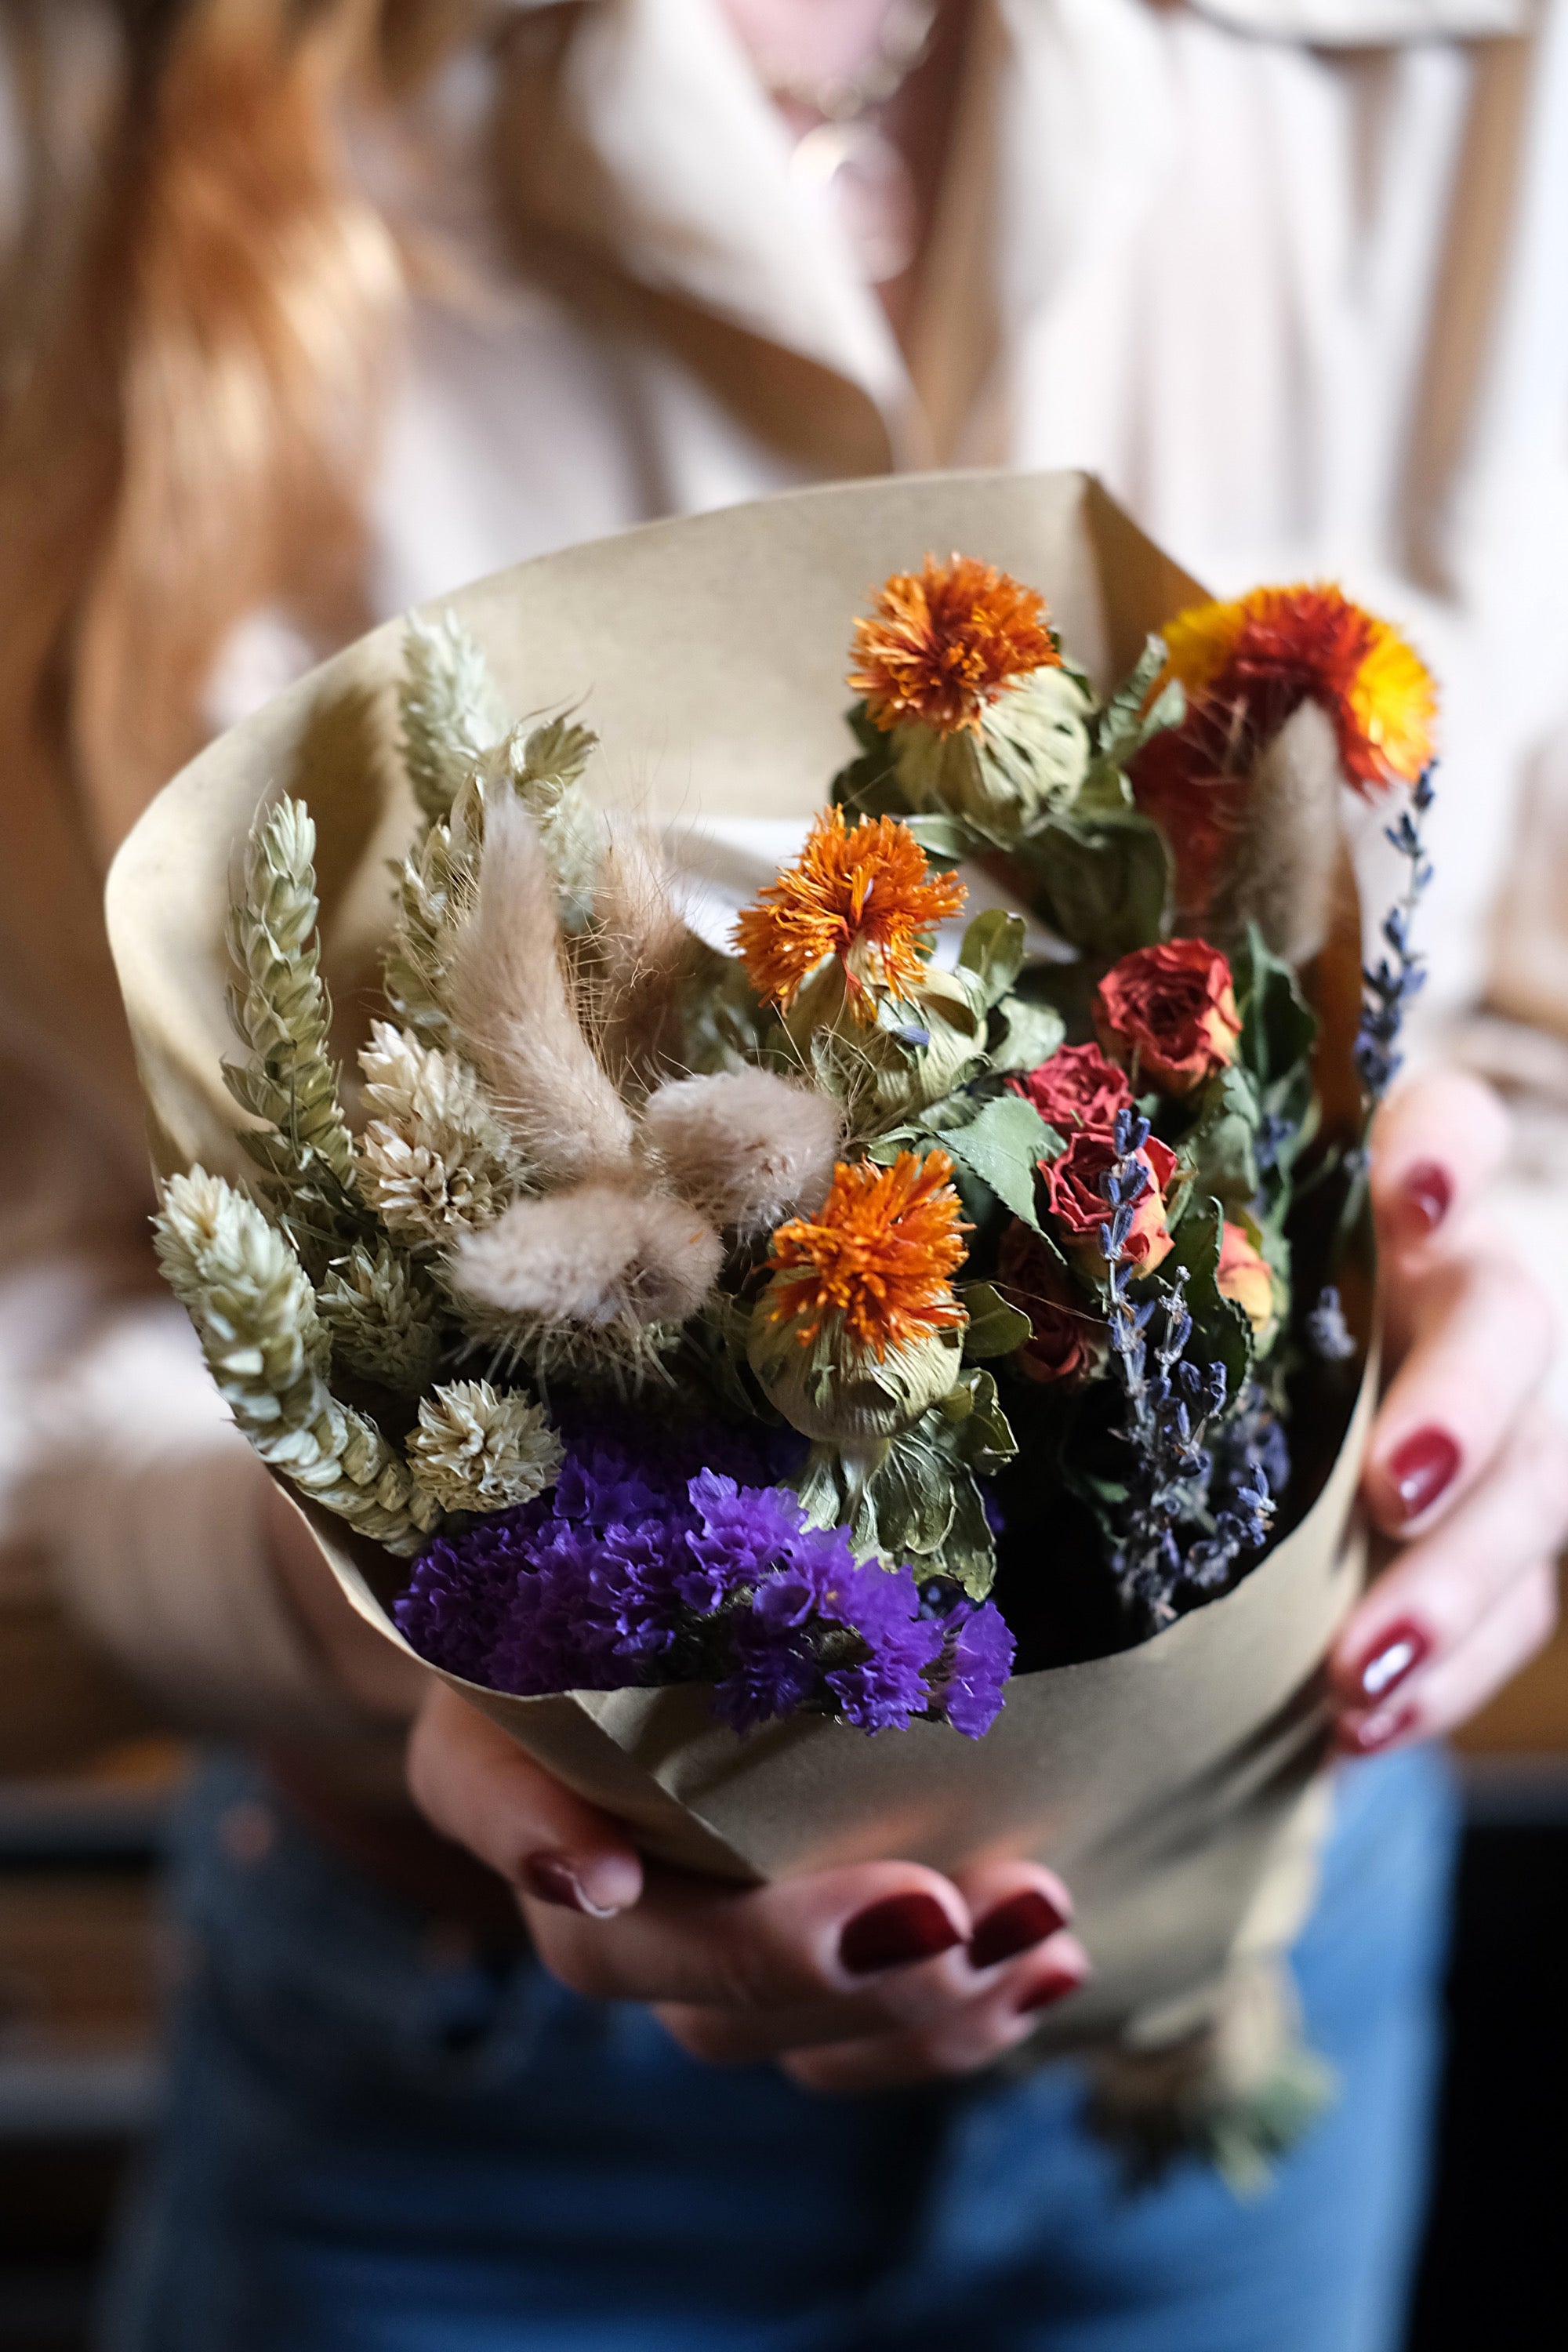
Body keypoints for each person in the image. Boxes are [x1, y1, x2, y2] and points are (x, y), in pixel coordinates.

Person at [2, 2, 1566, 2346]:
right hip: (467, 2112)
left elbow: (1525, 1030)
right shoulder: (81, 99)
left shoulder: (1474, 59)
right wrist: (425, 1591)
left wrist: (1505, 1295)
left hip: (1274, 1959)